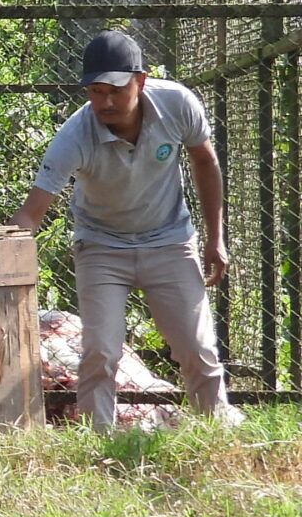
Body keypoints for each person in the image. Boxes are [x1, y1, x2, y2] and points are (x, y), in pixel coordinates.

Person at [15, 28, 240, 430]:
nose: (105, 101)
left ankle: (216, 431)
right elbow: (31, 215)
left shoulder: (177, 104)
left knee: (197, 347)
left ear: (141, 80)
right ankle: (100, 445)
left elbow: (206, 163)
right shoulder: (74, 136)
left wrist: (215, 238)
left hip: (170, 241)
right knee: (100, 352)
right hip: (102, 248)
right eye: (96, 91)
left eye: (116, 90)